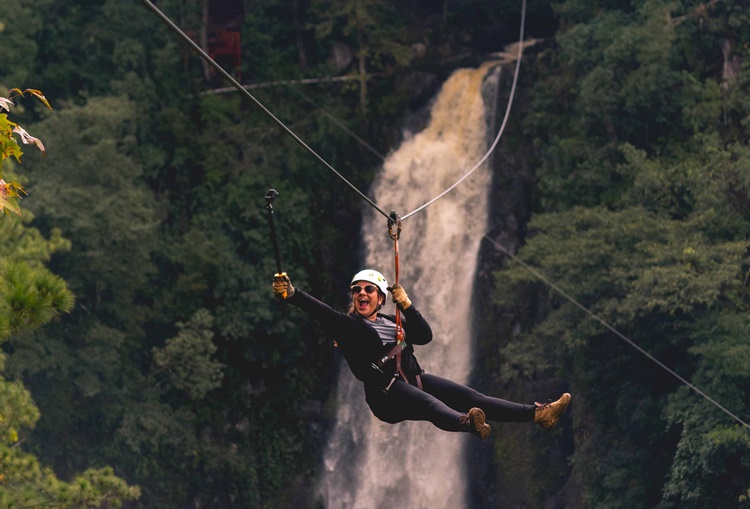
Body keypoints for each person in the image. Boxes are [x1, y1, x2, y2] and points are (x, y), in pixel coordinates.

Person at [272, 269, 570, 439]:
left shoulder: (392, 321)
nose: (362, 294)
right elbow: (323, 313)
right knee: (430, 404)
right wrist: (293, 294)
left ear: (380, 298)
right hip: (386, 396)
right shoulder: (350, 327)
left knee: (473, 397)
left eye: (369, 290)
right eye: (356, 290)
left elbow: (425, 336)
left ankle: (538, 414)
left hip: (413, 379)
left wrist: (408, 306)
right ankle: (467, 423)